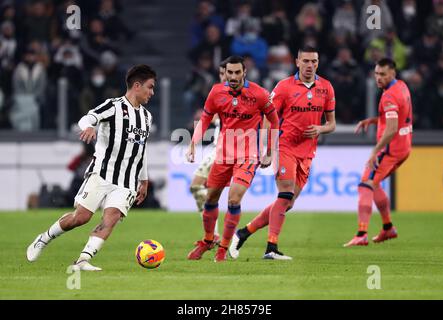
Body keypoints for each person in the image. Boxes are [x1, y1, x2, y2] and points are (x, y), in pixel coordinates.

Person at [26, 64, 156, 271]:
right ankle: (43, 238)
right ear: (137, 85)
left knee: (111, 217)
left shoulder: (147, 117)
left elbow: (142, 150)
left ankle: (82, 261)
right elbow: (88, 117)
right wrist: (88, 126)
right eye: (150, 87)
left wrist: (144, 179)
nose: (152, 92)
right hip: (101, 174)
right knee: (81, 217)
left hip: (128, 181)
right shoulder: (113, 106)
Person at [229, 46, 336, 260]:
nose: (310, 65)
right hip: (285, 146)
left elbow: (332, 123)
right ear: (297, 62)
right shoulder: (284, 87)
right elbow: (268, 118)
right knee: (285, 193)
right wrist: (268, 150)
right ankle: (271, 248)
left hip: (308, 152)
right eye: (305, 61)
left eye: (314, 61)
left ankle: (243, 233)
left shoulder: (326, 88)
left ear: (318, 62)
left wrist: (321, 129)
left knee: (288, 202)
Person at [186, 55, 279, 262]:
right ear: (225, 73)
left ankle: (223, 249)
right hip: (223, 156)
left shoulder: (259, 94)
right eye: (230, 73)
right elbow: (205, 119)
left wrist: (270, 151)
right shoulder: (216, 92)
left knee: (234, 199)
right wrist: (193, 143)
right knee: (210, 198)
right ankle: (209, 240)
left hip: (248, 156)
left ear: (244, 72)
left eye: (238, 72)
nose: (234, 76)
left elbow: (274, 120)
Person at [344, 58, 413, 247]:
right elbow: (398, 117)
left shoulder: (389, 96)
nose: (378, 78)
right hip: (404, 147)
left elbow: (391, 129)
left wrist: (375, 151)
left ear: (393, 73)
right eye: (376, 73)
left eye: (383, 74)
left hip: (390, 150)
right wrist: (374, 121)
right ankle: (388, 228)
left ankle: (361, 234)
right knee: (374, 185)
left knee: (365, 184)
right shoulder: (402, 86)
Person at [189, 61, 227, 244]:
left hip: (225, 150)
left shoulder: (238, 94)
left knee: (199, 188)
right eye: (220, 73)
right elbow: (208, 117)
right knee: (204, 191)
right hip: (216, 149)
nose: (223, 77)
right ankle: (214, 235)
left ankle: (213, 235)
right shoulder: (218, 92)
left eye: (226, 73)